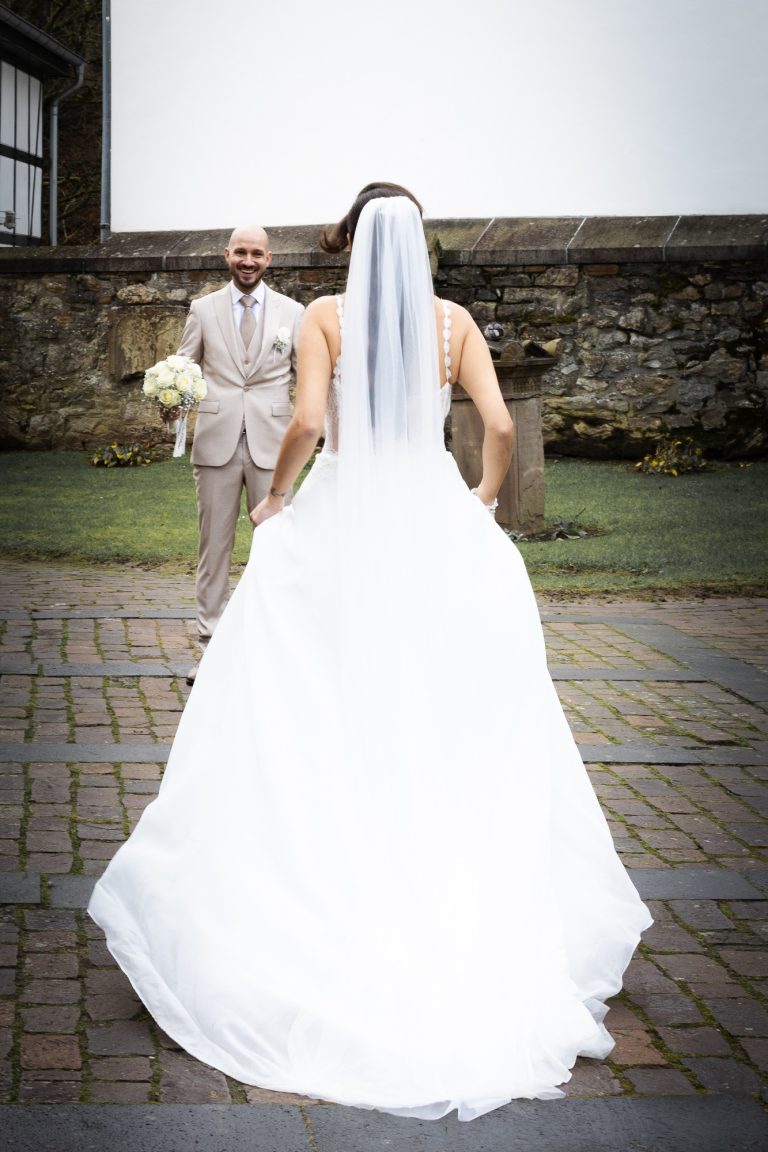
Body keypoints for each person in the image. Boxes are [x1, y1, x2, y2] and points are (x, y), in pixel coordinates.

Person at [89, 183, 651, 1121]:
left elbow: (306, 424)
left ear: (350, 241)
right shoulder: (455, 322)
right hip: (430, 511)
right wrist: (478, 499)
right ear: (420, 242)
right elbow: (502, 429)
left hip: (349, 513)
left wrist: (275, 498)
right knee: (430, 694)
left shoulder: (322, 315)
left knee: (316, 688)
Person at [177, 224, 304, 683]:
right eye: (240, 253)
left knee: (277, 548)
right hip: (216, 442)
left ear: (269, 259)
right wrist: (171, 402)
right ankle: (210, 647)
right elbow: (183, 367)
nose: (248, 261)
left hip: (274, 444)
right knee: (214, 547)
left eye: (257, 254)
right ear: (226, 255)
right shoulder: (203, 309)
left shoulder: (294, 312)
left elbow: (307, 379)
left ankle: (274, 648)